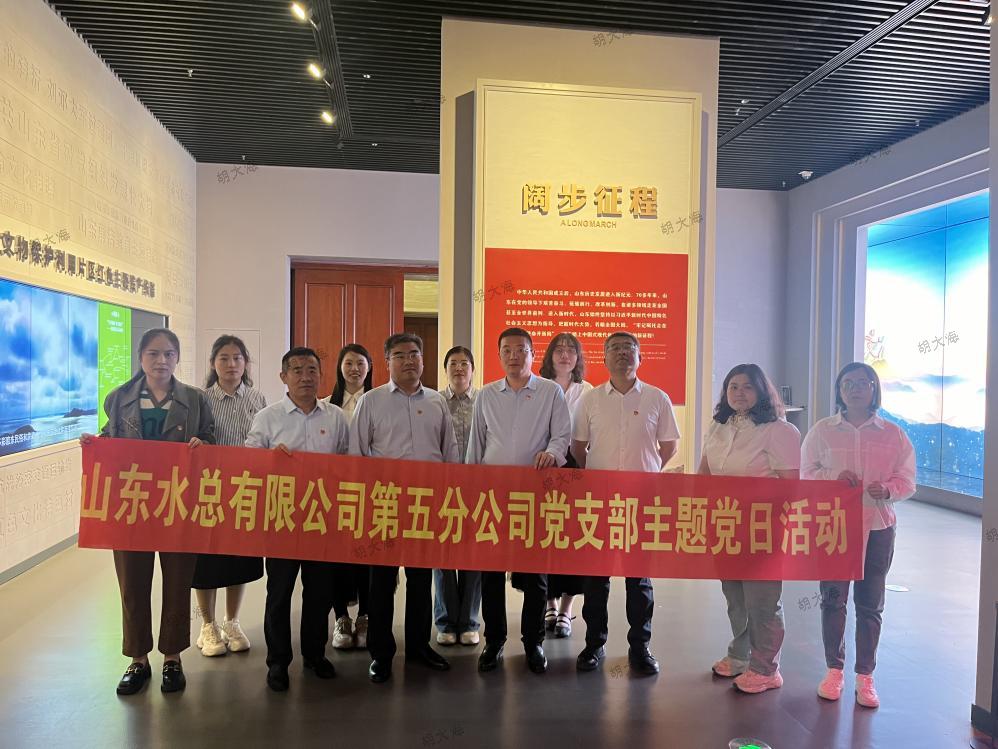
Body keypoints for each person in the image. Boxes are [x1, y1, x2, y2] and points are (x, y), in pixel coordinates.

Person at [81, 328, 215, 695]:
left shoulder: (194, 398)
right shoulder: (118, 397)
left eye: (169, 354)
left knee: (177, 581)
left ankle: (172, 657)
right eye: (153, 354)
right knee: (132, 583)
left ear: (177, 358)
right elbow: (110, 438)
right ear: (140, 358)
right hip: (132, 504)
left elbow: (210, 437)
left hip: (177, 502)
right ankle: (137, 659)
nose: (161, 361)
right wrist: (96, 444)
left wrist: (202, 444)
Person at [802, 362, 915, 709]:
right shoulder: (822, 431)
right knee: (833, 599)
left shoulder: (892, 434)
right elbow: (807, 473)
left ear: (873, 389)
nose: (855, 389)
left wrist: (890, 489)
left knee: (870, 603)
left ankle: (865, 676)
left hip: (878, 527)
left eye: (862, 383)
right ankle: (834, 670)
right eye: (847, 383)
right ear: (839, 390)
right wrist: (834, 477)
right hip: (834, 526)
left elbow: (908, 479)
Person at [351, 333, 459, 683]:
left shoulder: (437, 401)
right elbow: (357, 455)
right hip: (384, 504)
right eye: (400, 355)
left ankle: (418, 646)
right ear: (387, 362)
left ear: (423, 360)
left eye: (415, 354)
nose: (409, 360)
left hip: (425, 505)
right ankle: (381, 654)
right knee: (382, 582)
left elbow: (449, 452)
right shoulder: (371, 401)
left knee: (421, 579)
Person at [571, 332, 679, 675]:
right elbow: (578, 448)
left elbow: (669, 446)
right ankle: (594, 644)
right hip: (599, 501)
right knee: (596, 578)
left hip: (641, 501)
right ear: (604, 358)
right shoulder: (590, 400)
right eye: (614, 349)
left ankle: (640, 646)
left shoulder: (657, 398)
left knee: (639, 579)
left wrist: (648, 471)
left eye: (629, 349)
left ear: (640, 357)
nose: (622, 354)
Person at [245, 347, 350, 692]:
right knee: (279, 593)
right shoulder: (268, 417)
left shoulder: (336, 417)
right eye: (297, 370)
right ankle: (277, 661)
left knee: (319, 593)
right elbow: (248, 463)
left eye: (312, 370)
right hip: (283, 519)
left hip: (322, 520)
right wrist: (269, 459)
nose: (305, 377)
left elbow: (348, 462)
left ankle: (315, 654)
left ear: (321, 375)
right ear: (283, 377)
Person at [468, 327, 571, 674]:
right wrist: (471, 487)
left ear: (532, 354)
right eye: (507, 350)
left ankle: (533, 642)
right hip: (493, 495)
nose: (514, 356)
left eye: (521, 350)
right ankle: (494, 640)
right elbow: (476, 443)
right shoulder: (486, 394)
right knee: (491, 573)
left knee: (535, 574)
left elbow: (562, 434)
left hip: (535, 495)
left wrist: (552, 452)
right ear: (499, 355)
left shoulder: (550, 392)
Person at [700, 363, 800, 694]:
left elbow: (790, 485)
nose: (739, 393)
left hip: (761, 528)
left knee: (762, 599)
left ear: (761, 391)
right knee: (735, 597)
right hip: (725, 524)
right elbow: (704, 475)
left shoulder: (779, 430)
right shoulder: (718, 426)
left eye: (747, 386)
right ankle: (741, 654)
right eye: (733, 386)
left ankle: (766, 668)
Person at [192, 335, 267, 657]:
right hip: (208, 490)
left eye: (237, 358)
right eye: (224, 358)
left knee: (239, 559)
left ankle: (231, 621)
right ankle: (207, 626)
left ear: (246, 363)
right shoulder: (201, 399)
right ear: (213, 363)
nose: (231, 364)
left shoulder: (258, 399)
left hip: (243, 491)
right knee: (206, 560)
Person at [539, 332, 592, 638]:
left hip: (576, 469)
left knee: (573, 538)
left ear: (577, 357)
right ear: (549, 356)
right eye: (558, 350)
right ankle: (548, 601)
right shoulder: (539, 387)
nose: (564, 355)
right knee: (546, 536)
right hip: (544, 467)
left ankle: (566, 608)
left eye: (571, 350)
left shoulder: (588, 391)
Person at [433, 346, 483, 647]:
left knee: (474, 555)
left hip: (478, 489)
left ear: (473, 369)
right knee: (442, 555)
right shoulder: (435, 401)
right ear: (446, 369)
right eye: (453, 363)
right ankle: (446, 621)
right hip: (442, 488)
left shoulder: (484, 401)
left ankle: (469, 621)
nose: (459, 368)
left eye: (465, 363)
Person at [327, 344, 374, 650]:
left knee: (367, 556)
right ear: (340, 367)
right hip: (336, 493)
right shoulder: (326, 406)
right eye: (349, 363)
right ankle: (341, 617)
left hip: (371, 493)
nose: (355, 369)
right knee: (337, 557)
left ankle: (366, 616)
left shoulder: (378, 402)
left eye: (360, 363)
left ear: (369, 367)